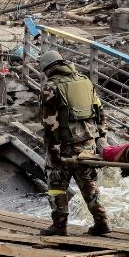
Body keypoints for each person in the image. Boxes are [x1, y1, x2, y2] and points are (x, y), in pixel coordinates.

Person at [38, 50, 110, 237]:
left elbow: (50, 123)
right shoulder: (85, 81)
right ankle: (102, 222)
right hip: (88, 143)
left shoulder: (50, 87)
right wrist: (101, 138)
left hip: (64, 146)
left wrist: (53, 150)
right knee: (88, 183)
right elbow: (100, 112)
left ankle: (59, 225)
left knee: (56, 183)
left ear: (48, 69)